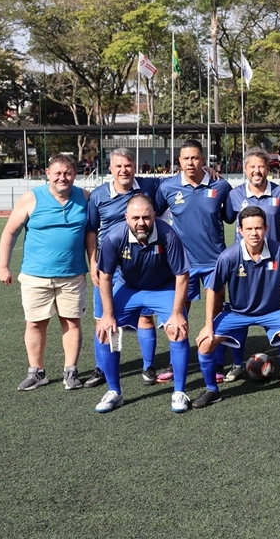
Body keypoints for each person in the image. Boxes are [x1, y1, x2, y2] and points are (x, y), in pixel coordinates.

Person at [192, 207, 280, 409]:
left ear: (266, 228)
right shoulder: (229, 256)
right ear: (240, 230)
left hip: (272, 311)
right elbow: (213, 290)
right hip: (237, 312)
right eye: (249, 229)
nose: (254, 233)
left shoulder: (279, 251)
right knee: (205, 343)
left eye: (258, 228)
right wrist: (208, 325)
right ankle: (212, 390)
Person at [0, 154, 90, 391]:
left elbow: (93, 236)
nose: (62, 177)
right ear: (47, 174)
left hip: (73, 276)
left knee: (72, 323)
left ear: (75, 174)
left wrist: (96, 264)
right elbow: (10, 232)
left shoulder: (85, 197)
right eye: (57, 173)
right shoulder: (31, 198)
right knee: (35, 324)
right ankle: (36, 372)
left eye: (67, 173)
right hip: (35, 276)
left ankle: (71, 371)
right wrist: (3, 266)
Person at [93, 195, 191, 413]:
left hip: (163, 288)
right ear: (126, 217)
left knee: (177, 329)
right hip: (129, 288)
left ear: (154, 216)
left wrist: (177, 313)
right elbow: (105, 277)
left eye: (146, 217)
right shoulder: (114, 237)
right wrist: (107, 315)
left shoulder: (168, 235)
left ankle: (179, 392)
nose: (141, 222)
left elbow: (182, 275)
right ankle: (114, 392)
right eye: (135, 217)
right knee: (105, 330)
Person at [83, 147, 164, 389]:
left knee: (145, 317)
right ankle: (103, 368)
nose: (123, 170)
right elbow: (91, 231)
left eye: (128, 165)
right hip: (109, 266)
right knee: (104, 319)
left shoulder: (148, 187)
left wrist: (207, 170)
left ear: (135, 166)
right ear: (110, 168)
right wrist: (93, 262)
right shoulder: (98, 195)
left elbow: (180, 177)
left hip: (141, 264)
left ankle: (148, 366)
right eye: (118, 166)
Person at [155, 139, 233, 384]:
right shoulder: (167, 187)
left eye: (195, 158)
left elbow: (230, 217)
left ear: (203, 160)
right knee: (179, 310)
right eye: (186, 158)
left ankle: (217, 360)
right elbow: (154, 215)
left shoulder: (221, 186)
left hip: (214, 261)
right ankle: (176, 360)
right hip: (183, 263)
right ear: (179, 161)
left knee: (216, 309)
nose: (190, 162)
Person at [223, 147, 280, 381]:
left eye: (261, 166)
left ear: (267, 168)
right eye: (252, 166)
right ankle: (236, 363)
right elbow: (225, 218)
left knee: (278, 312)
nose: (257, 171)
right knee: (239, 311)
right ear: (245, 169)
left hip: (274, 266)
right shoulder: (234, 195)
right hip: (242, 266)